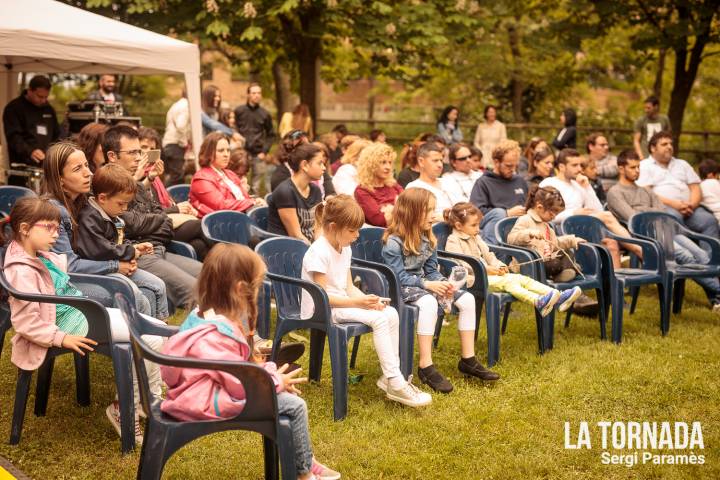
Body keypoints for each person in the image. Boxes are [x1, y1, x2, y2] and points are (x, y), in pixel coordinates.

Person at [159, 243, 340, 480]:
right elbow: (239, 384)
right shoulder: (217, 335)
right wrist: (275, 381)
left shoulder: (204, 315)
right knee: (295, 406)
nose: (258, 292)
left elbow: (234, 369)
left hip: (200, 393)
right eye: (256, 286)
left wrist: (269, 372)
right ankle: (304, 474)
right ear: (240, 289)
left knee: (286, 397)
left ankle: (305, 459)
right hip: (204, 402)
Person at [2, 197, 164, 444]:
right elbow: (25, 322)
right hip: (71, 323)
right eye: (49, 228)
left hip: (80, 314)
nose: (56, 235)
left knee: (158, 330)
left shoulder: (37, 254)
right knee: (147, 337)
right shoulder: (21, 270)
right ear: (24, 229)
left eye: (58, 228)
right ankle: (126, 408)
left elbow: (66, 273)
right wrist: (61, 338)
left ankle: (147, 401)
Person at [302, 195, 431, 407]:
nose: (357, 235)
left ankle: (390, 377)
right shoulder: (318, 252)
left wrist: (368, 300)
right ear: (333, 227)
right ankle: (396, 383)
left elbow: (349, 287)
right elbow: (323, 297)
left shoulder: (345, 248)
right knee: (379, 320)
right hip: (321, 308)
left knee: (390, 313)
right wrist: (359, 304)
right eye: (352, 231)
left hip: (340, 302)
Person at [382, 189, 499, 394]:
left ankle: (468, 359)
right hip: (400, 289)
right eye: (428, 210)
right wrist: (428, 285)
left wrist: (445, 284)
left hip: (424, 284)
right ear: (411, 212)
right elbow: (398, 277)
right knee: (428, 302)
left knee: (468, 299)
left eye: (433, 210)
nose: (433, 215)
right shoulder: (394, 243)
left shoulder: (428, 238)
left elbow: (431, 271)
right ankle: (426, 366)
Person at [41, 141, 157, 315]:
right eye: (77, 169)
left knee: (150, 290)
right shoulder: (54, 211)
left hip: (84, 271)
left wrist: (129, 249)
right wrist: (115, 265)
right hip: (59, 283)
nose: (88, 173)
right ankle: (134, 339)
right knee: (124, 292)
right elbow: (70, 266)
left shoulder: (82, 200)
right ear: (60, 179)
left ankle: (150, 336)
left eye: (87, 165)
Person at [103, 125, 203, 310]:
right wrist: (159, 220)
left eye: (139, 152)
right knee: (198, 292)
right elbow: (133, 223)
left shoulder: (137, 186)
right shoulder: (106, 188)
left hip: (158, 249)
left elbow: (162, 218)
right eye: (132, 152)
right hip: (137, 256)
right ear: (112, 156)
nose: (139, 158)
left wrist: (156, 221)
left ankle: (247, 336)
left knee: (212, 276)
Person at [607, 150, 720, 311]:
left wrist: (649, 214)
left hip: (666, 231)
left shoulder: (645, 190)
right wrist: (650, 213)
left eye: (638, 167)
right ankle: (718, 293)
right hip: (646, 237)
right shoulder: (615, 192)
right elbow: (634, 219)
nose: (637, 171)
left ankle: (716, 299)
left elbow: (662, 212)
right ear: (621, 169)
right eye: (632, 167)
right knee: (686, 257)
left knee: (702, 255)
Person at [444, 202, 581, 315]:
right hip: (472, 280)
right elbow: (461, 265)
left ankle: (558, 296)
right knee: (509, 282)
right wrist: (487, 270)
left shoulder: (476, 237)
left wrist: (499, 265)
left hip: (488, 276)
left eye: (478, 224)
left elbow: (489, 256)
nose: (478, 229)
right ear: (459, 226)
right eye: (474, 225)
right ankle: (537, 301)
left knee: (522, 278)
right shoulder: (453, 240)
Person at [75, 164, 169, 321]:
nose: (125, 208)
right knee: (136, 295)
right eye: (121, 203)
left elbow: (118, 239)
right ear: (102, 198)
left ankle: (160, 330)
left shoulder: (110, 212)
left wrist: (132, 248)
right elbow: (100, 250)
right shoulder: (89, 218)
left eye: (127, 203)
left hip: (116, 266)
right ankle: (143, 336)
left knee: (159, 285)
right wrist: (131, 253)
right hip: (101, 271)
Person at [539, 149, 641, 267]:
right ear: (561, 167)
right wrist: (573, 213)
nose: (579, 169)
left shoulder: (579, 184)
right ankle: (639, 250)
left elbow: (597, 210)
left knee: (612, 244)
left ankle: (616, 284)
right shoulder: (549, 183)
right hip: (561, 231)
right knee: (607, 216)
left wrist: (587, 187)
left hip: (584, 228)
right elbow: (545, 215)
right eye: (574, 165)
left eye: (580, 165)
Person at [139, 127, 212, 260]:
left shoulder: (155, 175)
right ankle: (232, 257)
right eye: (144, 147)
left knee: (198, 245)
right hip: (155, 229)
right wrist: (176, 208)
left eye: (152, 149)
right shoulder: (136, 177)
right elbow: (147, 212)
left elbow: (164, 202)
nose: (148, 153)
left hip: (166, 222)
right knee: (202, 225)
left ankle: (218, 274)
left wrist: (180, 208)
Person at [637, 131, 719, 238]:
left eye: (671, 144)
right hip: (664, 208)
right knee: (674, 217)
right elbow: (646, 192)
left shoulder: (682, 164)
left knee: (709, 221)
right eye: (664, 144)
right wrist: (674, 204)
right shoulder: (644, 166)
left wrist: (691, 205)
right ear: (653, 148)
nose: (669, 147)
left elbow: (695, 188)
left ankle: (710, 255)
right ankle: (689, 254)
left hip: (690, 209)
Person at [507, 186, 585, 282]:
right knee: (555, 264)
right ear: (540, 207)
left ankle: (563, 274)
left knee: (568, 253)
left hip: (547, 261)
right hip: (530, 265)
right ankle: (566, 271)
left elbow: (556, 244)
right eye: (552, 213)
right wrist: (529, 233)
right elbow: (511, 238)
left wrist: (571, 240)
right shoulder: (525, 220)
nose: (554, 217)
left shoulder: (547, 227)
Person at [189, 132, 264, 218]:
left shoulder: (230, 174)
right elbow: (221, 206)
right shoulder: (201, 178)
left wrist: (255, 201)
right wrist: (252, 202)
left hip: (241, 217)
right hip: (221, 224)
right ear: (208, 153)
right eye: (221, 151)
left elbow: (245, 198)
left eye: (228, 150)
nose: (226, 154)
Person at [3, 75, 60, 185]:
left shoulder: (48, 109)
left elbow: (56, 135)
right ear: (29, 90)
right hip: (22, 169)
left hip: (45, 167)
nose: (43, 100)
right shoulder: (14, 108)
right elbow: (13, 137)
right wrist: (30, 151)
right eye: (39, 96)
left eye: (46, 97)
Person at [468, 139, 528, 244]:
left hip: (522, 229)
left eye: (515, 166)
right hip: (497, 230)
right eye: (509, 165)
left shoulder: (520, 181)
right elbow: (475, 213)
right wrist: (507, 213)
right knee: (499, 213)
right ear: (496, 162)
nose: (513, 169)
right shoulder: (483, 182)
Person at [267, 143, 325, 243]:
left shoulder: (315, 190)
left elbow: (318, 228)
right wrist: (315, 254)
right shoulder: (285, 192)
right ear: (305, 165)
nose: (324, 167)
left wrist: (319, 247)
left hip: (308, 246)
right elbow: (295, 235)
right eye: (320, 163)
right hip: (286, 247)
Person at [234, 82, 276, 195]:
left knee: (255, 186)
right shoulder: (239, 111)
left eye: (259, 93)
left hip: (258, 154)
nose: (256, 95)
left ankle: (253, 210)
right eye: (253, 93)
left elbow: (271, 134)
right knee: (239, 182)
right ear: (248, 94)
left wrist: (264, 151)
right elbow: (233, 128)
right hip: (242, 153)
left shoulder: (265, 114)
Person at [270, 130, 335, 197]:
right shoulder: (281, 177)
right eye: (303, 146)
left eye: (309, 144)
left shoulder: (316, 183)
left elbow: (330, 194)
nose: (309, 149)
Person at [354, 142, 403, 227]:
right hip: (380, 235)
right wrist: (401, 208)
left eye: (390, 162)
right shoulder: (362, 190)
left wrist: (389, 211)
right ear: (370, 164)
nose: (388, 167)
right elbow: (380, 221)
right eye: (383, 162)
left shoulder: (393, 184)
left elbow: (411, 204)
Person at [405, 142, 455, 220]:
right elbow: (416, 220)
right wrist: (451, 217)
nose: (440, 165)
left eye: (441, 160)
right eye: (435, 161)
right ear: (421, 161)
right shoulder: (414, 187)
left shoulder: (448, 181)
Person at [161, 91, 191, 186]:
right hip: (176, 145)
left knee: (172, 176)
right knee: (177, 178)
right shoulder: (186, 105)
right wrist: (184, 142)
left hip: (168, 142)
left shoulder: (175, 105)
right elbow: (181, 125)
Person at [473, 105, 507, 170]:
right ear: (486, 114)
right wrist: (480, 151)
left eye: (493, 112)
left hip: (496, 152)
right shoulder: (481, 126)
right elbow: (476, 142)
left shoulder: (501, 126)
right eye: (489, 112)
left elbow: (503, 141)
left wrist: (496, 150)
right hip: (482, 152)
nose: (491, 114)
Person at [699, 159, 720, 225]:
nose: (718, 177)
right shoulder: (715, 183)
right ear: (710, 175)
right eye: (717, 175)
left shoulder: (699, 186)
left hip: (711, 218)